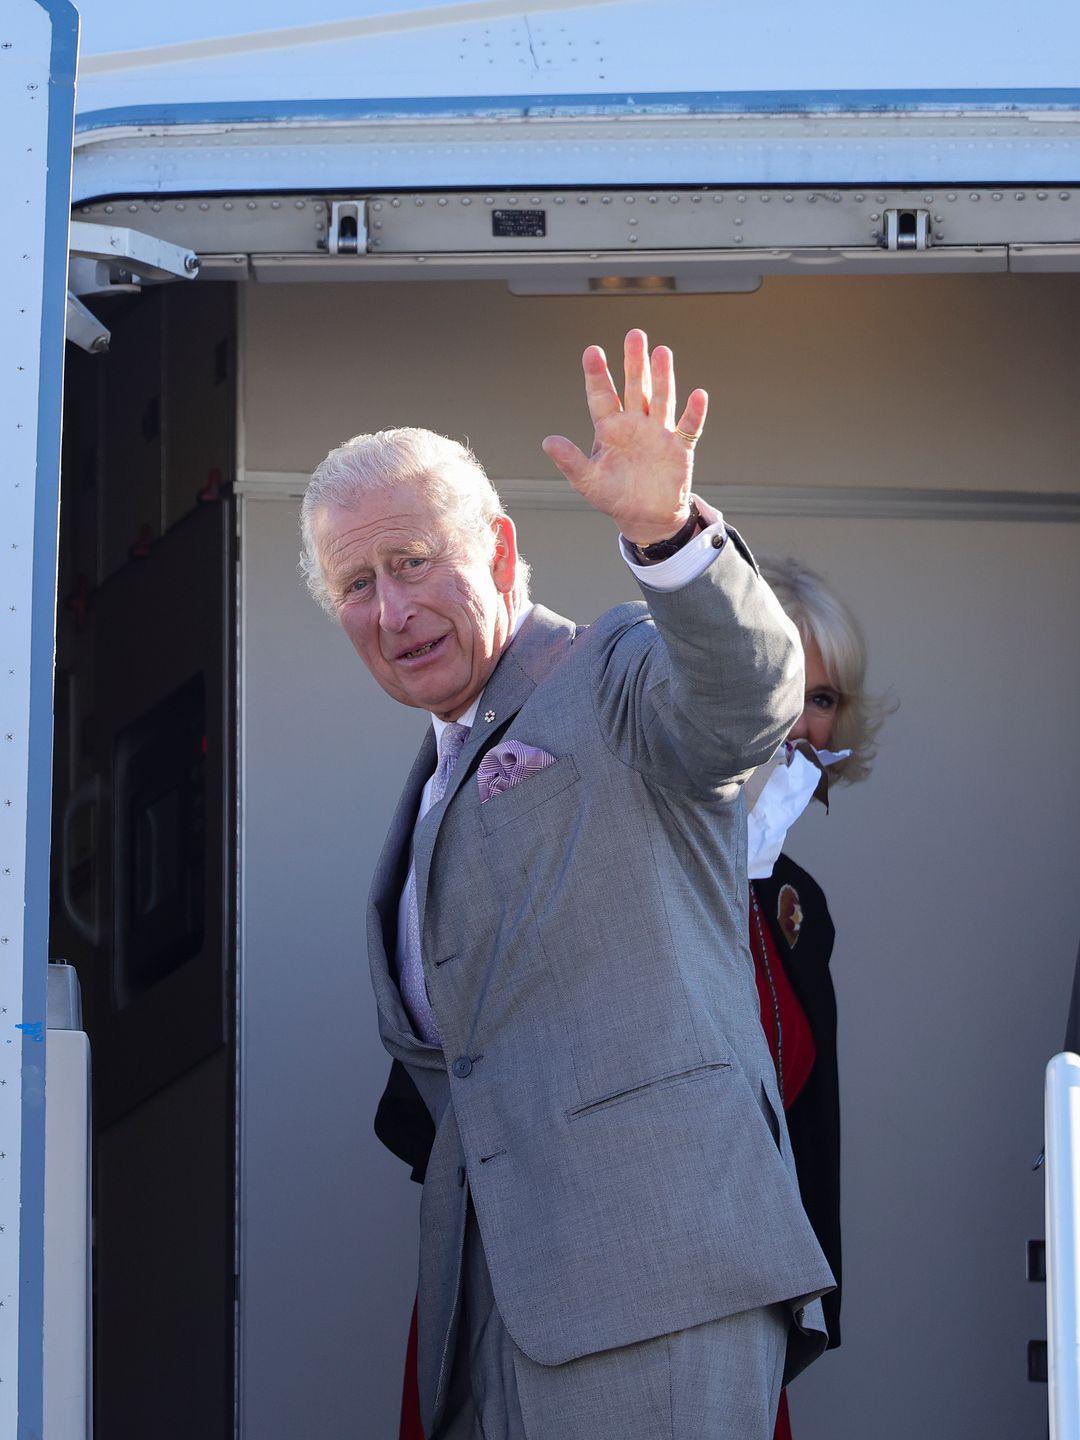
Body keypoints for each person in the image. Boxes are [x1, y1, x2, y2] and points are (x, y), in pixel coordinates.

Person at [301, 331, 834, 1440]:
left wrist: (667, 538)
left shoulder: (608, 671)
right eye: (358, 584)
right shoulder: (434, 776)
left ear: (498, 549)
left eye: (412, 562)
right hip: (491, 1313)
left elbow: (746, 699)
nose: (392, 613)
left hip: (654, 1281)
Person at [747, 556, 885, 1440]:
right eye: (780, 685)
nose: (802, 721)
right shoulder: (632, 851)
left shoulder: (799, 904)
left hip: (754, 1310)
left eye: (824, 697)